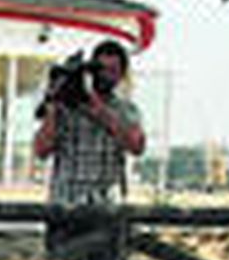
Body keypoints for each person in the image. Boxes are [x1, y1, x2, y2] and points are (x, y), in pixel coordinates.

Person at [33, 39, 146, 206]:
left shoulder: (126, 110)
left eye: (112, 70)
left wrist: (97, 109)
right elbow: (41, 150)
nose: (105, 76)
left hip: (107, 204)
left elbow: (136, 146)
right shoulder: (65, 109)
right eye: (101, 69)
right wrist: (53, 103)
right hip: (66, 202)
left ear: (121, 75)